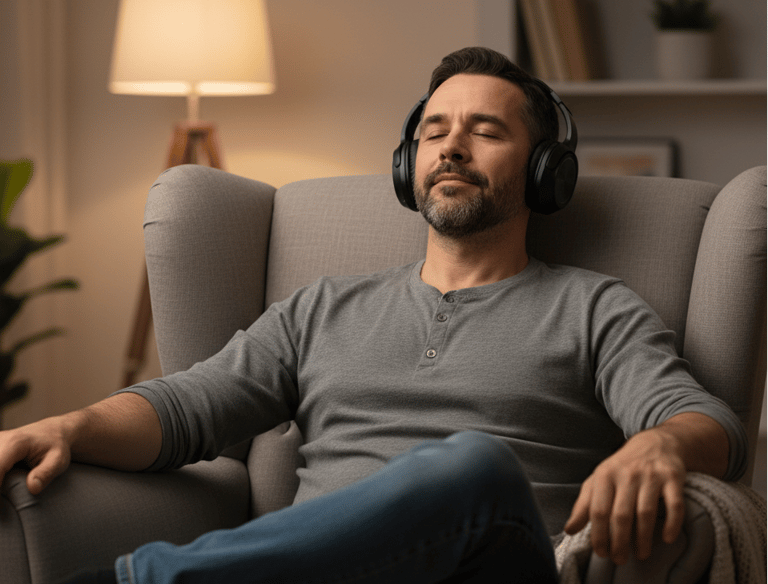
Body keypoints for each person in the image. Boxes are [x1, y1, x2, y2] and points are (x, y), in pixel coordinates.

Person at [0, 47, 747, 584]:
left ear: (546, 170)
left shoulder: (593, 306)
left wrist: (662, 447)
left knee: (474, 463)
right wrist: (66, 425)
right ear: (407, 164)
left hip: (501, 564)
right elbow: (185, 407)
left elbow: (703, 420)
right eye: (433, 131)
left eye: (486, 131)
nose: (452, 145)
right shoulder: (323, 307)